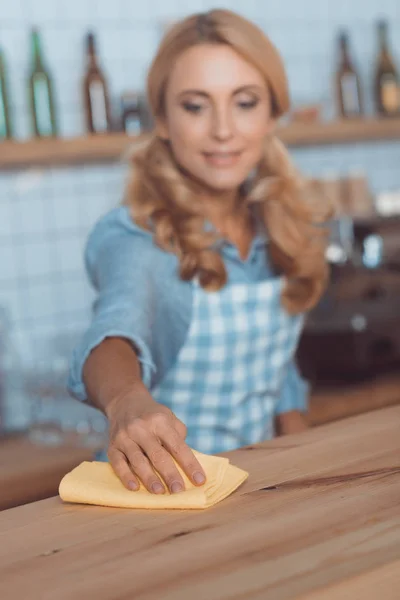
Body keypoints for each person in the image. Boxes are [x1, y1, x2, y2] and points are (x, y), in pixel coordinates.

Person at [68, 9, 331, 497]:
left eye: (245, 102)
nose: (223, 130)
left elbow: (278, 377)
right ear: (163, 120)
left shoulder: (279, 225)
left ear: (272, 113)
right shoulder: (136, 238)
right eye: (195, 106)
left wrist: (310, 479)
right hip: (155, 501)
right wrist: (126, 399)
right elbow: (114, 330)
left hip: (253, 490)